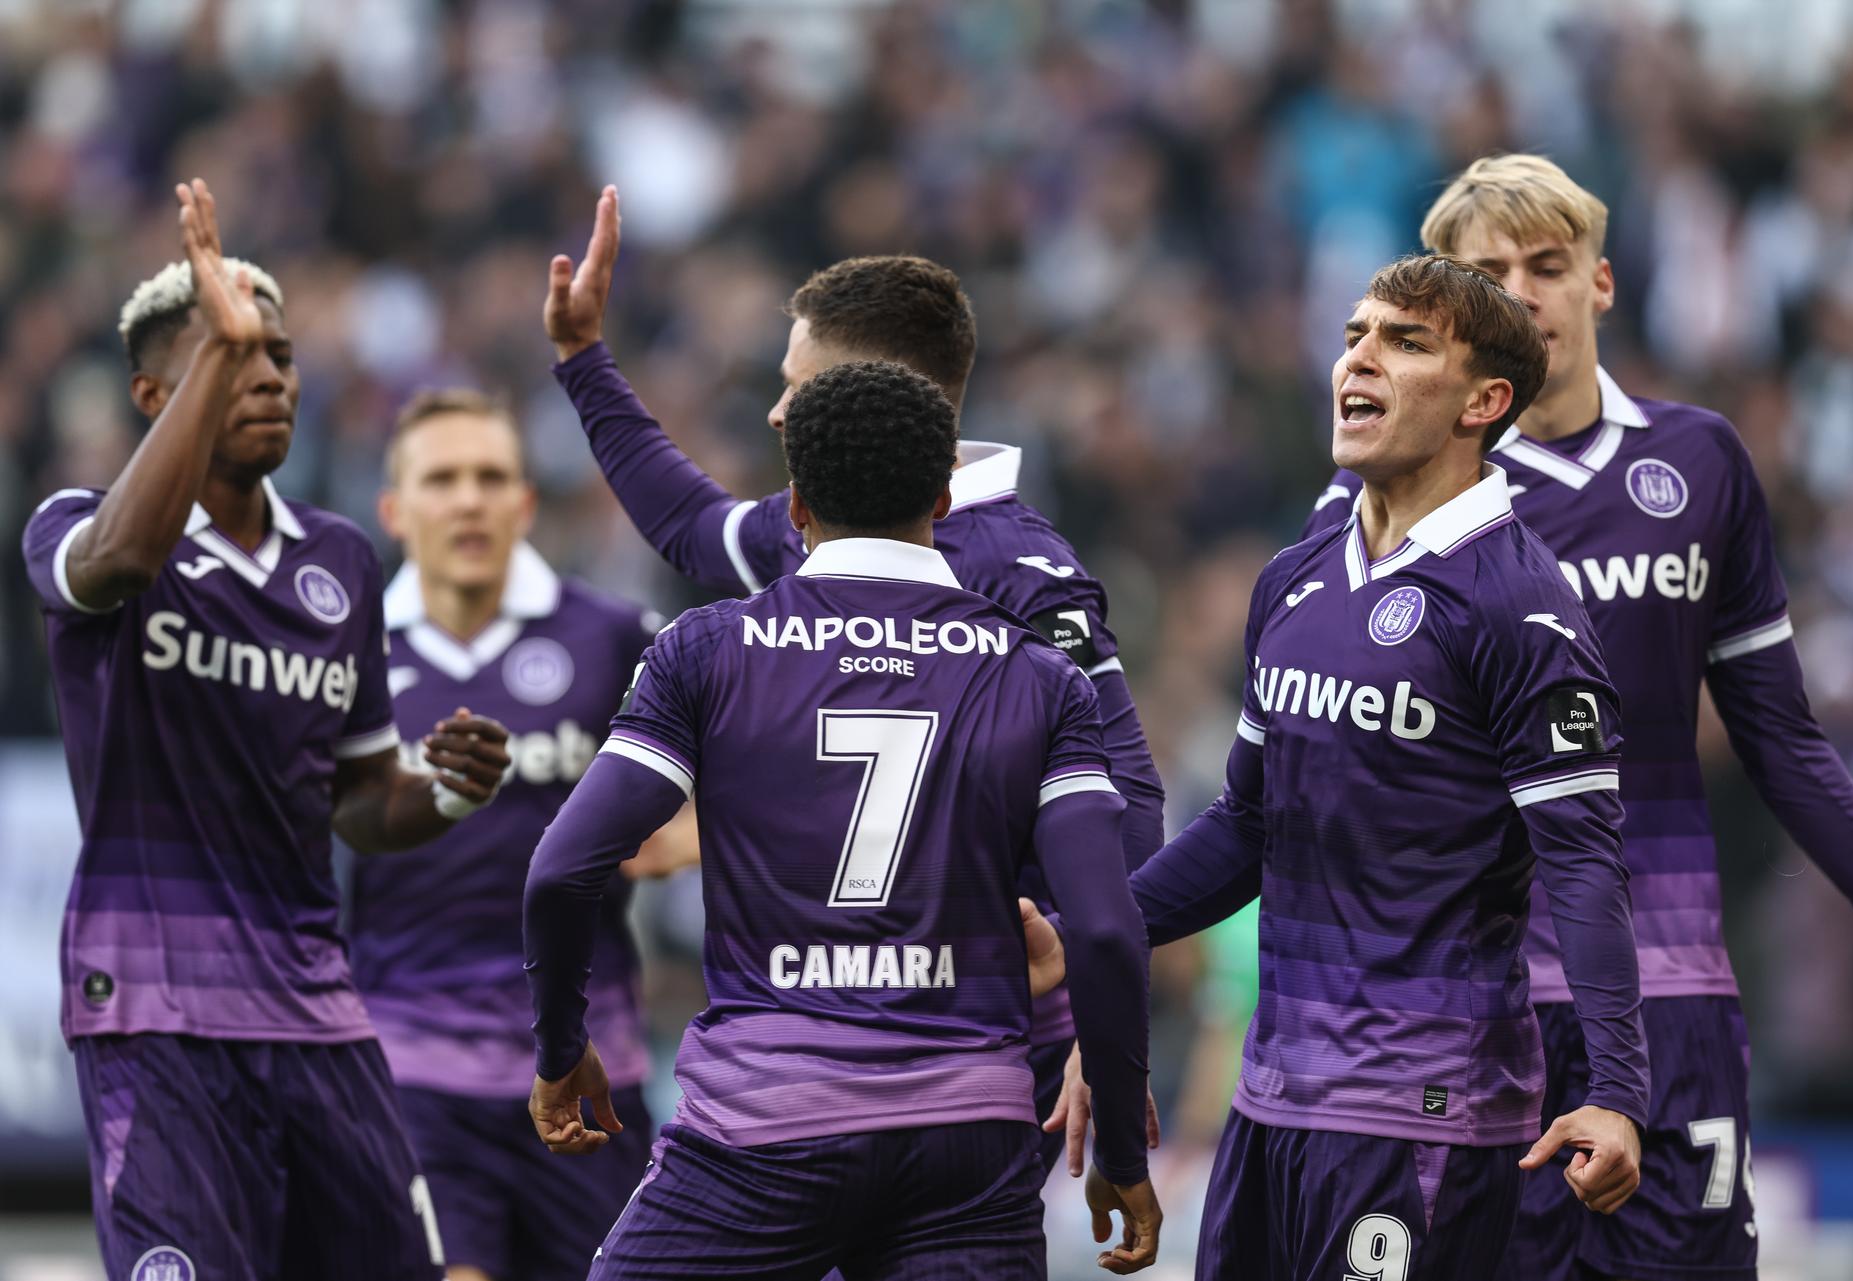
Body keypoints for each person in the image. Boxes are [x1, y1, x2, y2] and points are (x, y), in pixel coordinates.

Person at [1302, 153, 1853, 1281]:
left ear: (1602, 283)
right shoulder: (1384, 490)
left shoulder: (1700, 463)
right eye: (1489, 272)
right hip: (1476, 1007)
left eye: (1548, 264)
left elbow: (1781, 739)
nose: (1524, 292)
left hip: (1671, 987)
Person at [544, 186, 1165, 1171]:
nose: (778, 407)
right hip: (821, 1027)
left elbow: (1126, 791)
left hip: (978, 1039)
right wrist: (584, 363)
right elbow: (690, 525)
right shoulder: (831, 531)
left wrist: (1105, 1027)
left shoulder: (1013, 566)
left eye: (798, 382)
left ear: (874, 392)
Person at [1062, 254, 1652, 1277]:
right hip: (1268, 1107)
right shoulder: (1294, 581)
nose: (1359, 361)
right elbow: (1247, 825)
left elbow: (1587, 868)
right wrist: (1098, 929)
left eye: (1405, 342)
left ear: (1485, 401)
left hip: (1422, 1116)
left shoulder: (1523, 610)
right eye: (1354, 337)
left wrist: (1619, 1090)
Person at [20, 180, 510, 1281]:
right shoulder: (77, 528)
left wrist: (444, 791)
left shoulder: (339, 563)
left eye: (279, 355)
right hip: (155, 1012)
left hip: (315, 1013)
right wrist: (214, 355)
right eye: (229, 356)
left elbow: (358, 798)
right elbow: (119, 564)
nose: (269, 376)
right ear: (158, 392)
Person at [347, 387, 675, 1281]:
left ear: (525, 503)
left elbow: (699, 807)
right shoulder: (347, 651)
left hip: (584, 1067)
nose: (468, 499)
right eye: (442, 478)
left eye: (491, 477)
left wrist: (678, 837)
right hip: (410, 1072)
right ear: (394, 508)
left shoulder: (613, 638)